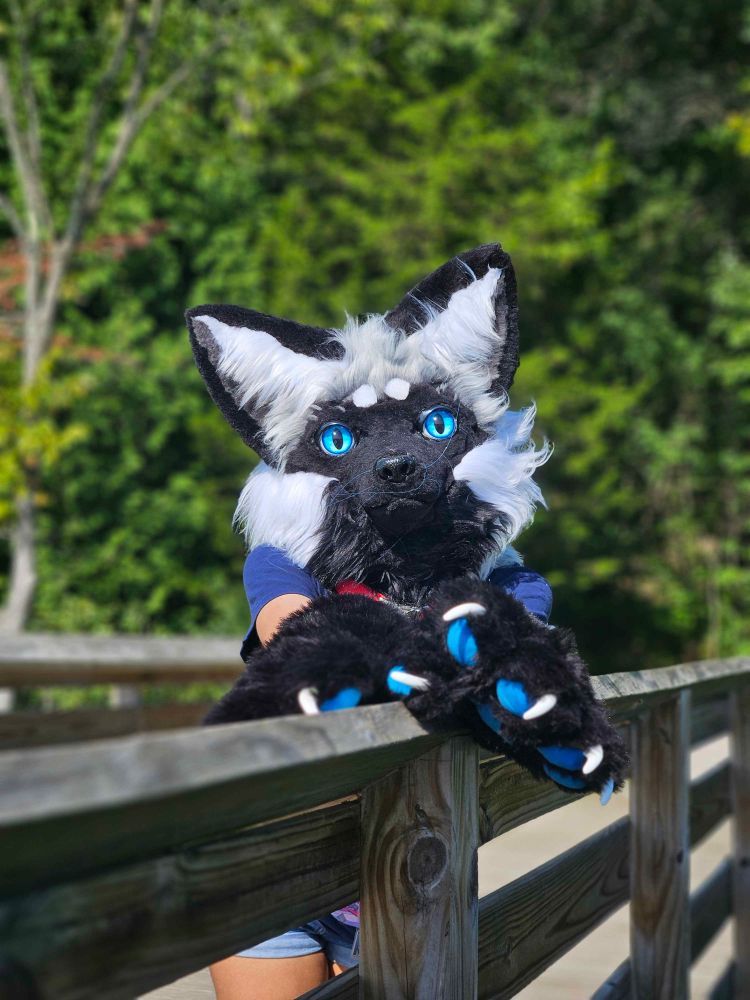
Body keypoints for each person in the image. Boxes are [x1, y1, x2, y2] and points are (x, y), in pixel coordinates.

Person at [209, 545, 552, 1000]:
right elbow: (302, 643)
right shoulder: (287, 551)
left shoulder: (509, 577)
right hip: (271, 858)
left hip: (413, 870)